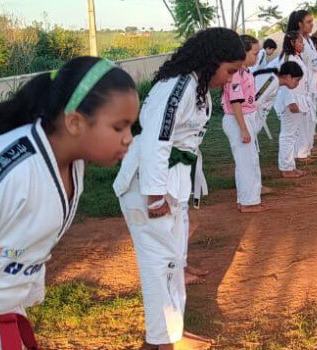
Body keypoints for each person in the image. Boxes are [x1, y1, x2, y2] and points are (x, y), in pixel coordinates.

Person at [0, 56, 137, 350]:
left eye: (131, 128)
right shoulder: (4, 172)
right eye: (119, 128)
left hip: (1, 321)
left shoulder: (72, 165)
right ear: (74, 122)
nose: (129, 140)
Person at [113, 27, 245, 350]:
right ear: (212, 60)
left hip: (172, 182)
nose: (230, 79)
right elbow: (158, 139)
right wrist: (155, 194)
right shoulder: (178, 86)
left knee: (173, 261)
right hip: (148, 188)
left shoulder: (194, 86)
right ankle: (159, 341)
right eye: (229, 71)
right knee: (159, 265)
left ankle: (171, 333)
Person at [221, 35, 268, 213]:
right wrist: (243, 129)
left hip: (246, 117)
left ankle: (247, 198)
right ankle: (249, 202)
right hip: (238, 119)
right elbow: (235, 103)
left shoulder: (245, 71)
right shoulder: (234, 74)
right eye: (254, 53)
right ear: (242, 53)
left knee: (249, 159)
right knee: (246, 161)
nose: (257, 58)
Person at [253, 61, 306, 178]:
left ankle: (288, 167)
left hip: (255, 120)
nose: (297, 84)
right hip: (249, 120)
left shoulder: (275, 82)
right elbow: (253, 102)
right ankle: (252, 187)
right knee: (249, 155)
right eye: (296, 80)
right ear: (287, 77)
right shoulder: (271, 81)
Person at [275, 32, 312, 177]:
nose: (303, 45)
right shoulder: (288, 59)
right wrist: (291, 102)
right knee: (288, 135)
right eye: (300, 42)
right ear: (292, 43)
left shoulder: (296, 57)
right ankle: (286, 168)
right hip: (291, 100)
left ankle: (290, 165)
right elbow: (284, 82)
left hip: (299, 98)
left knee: (292, 135)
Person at [289, 9, 317, 158]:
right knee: (301, 121)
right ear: (299, 23)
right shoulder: (294, 41)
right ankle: (300, 152)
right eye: (309, 22)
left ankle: (306, 149)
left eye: (312, 21)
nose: (312, 25)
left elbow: (314, 63)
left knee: (310, 120)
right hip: (300, 87)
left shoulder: (309, 40)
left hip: (312, 86)